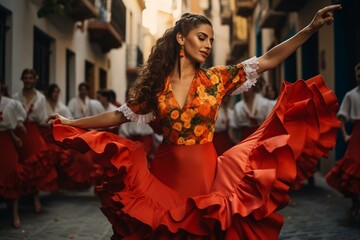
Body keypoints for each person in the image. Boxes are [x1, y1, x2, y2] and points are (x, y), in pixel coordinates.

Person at [48, 5, 341, 239]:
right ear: (180, 38)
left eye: (211, 40)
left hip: (206, 173)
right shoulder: (155, 89)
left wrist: (309, 28)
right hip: (165, 175)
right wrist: (71, 122)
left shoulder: (216, 79)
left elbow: (268, 60)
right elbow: (116, 116)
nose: (208, 45)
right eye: (202, 37)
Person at [13, 69, 58, 214]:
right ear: (22, 79)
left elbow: (43, 118)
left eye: (30, 78)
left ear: (35, 80)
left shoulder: (40, 98)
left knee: (35, 165)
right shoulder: (15, 97)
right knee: (18, 166)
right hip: (18, 132)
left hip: (33, 131)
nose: (28, 80)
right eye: (25, 77)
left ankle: (35, 197)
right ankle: (16, 200)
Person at [326, 62, 360, 225]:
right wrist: (346, 135)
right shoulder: (351, 95)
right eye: (358, 75)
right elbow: (341, 117)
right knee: (353, 168)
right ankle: (355, 204)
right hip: (357, 134)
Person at [0, 82, 27, 228]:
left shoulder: (10, 103)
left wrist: (15, 137)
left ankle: (15, 214)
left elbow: (11, 123)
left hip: (5, 141)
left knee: (11, 174)